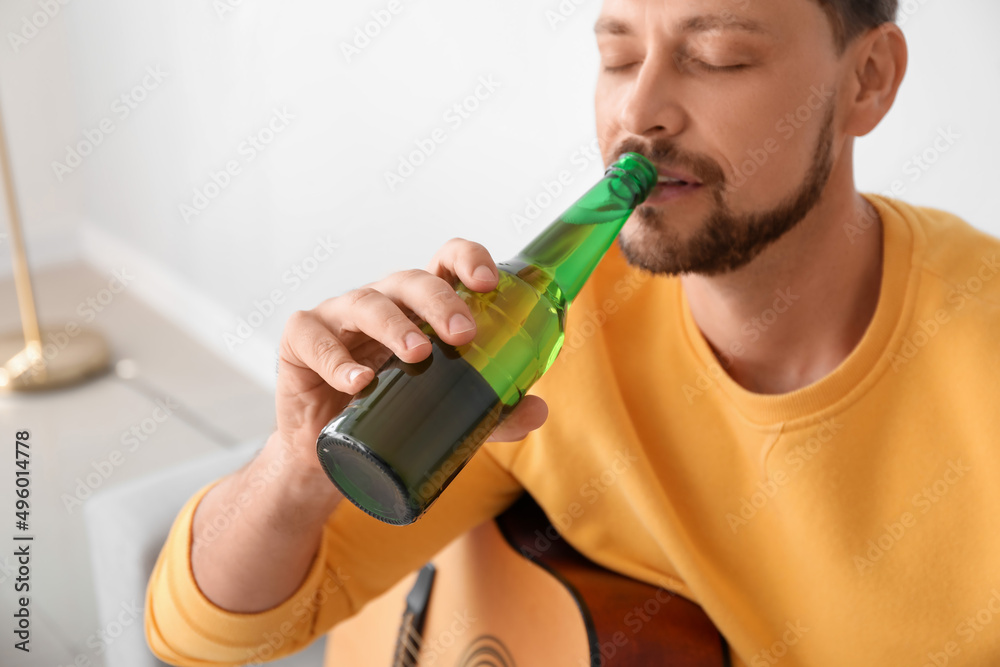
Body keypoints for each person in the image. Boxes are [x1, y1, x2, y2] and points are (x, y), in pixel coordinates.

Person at [145, 0, 1000, 664]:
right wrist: (295, 466)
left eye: (717, 56)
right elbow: (210, 636)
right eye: (617, 56)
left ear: (869, 81)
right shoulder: (536, 342)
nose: (640, 109)